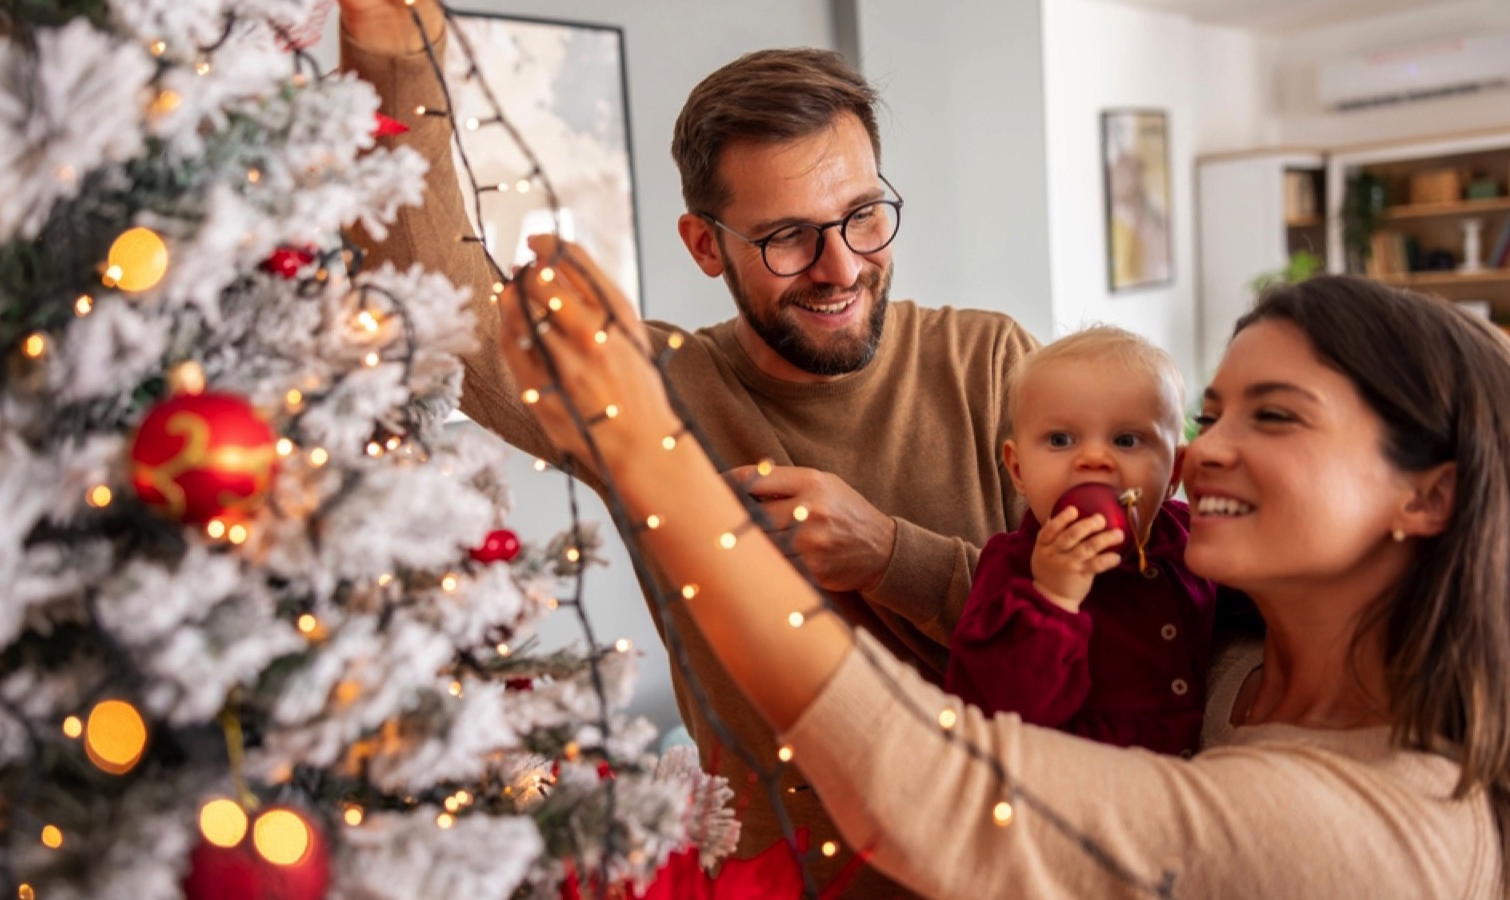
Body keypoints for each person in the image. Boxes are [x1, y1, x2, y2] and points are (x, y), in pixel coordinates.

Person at [498, 258, 1509, 897]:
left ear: (1426, 499)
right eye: (1210, 416)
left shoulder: (1367, 831)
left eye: (1274, 415)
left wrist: (645, 447)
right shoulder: (1237, 647)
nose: (1200, 456)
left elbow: (931, 785)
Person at [337, 4, 1035, 890]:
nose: (843, 266)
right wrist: (395, 45)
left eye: (863, 214)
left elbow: (1109, 628)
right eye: (788, 238)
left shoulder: (995, 362)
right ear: (706, 245)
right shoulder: (646, 388)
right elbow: (444, 303)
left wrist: (891, 555)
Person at [944, 327, 1215, 757]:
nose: (1093, 459)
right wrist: (1053, 598)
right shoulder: (1011, 568)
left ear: (1174, 473)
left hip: (1193, 786)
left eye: (1127, 440)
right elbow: (993, 712)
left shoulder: (1193, 541)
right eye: (1060, 440)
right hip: (1081, 796)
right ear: (1018, 470)